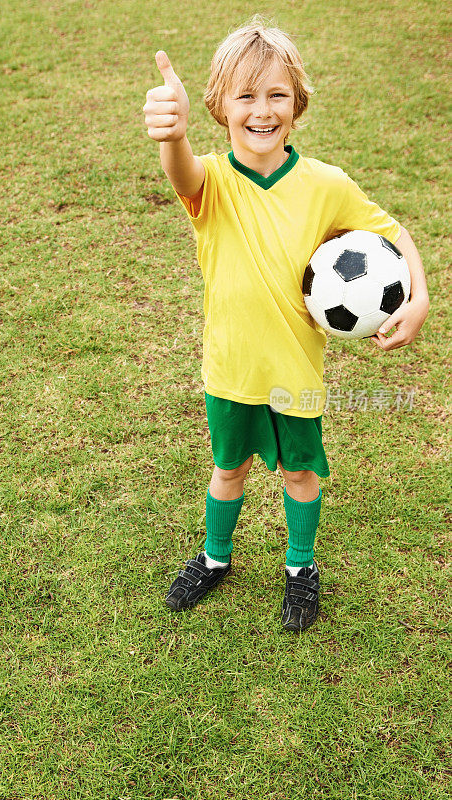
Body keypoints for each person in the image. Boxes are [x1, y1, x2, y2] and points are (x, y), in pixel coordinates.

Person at [142, 17, 429, 631]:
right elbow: (181, 172)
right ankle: (215, 556)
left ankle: (301, 567)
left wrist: (421, 295)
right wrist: (173, 133)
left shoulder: (326, 185)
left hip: (295, 372)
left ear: (297, 102)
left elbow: (394, 235)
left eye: (276, 94)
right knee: (229, 468)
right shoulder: (213, 180)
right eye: (245, 96)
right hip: (232, 368)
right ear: (221, 107)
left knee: (300, 471)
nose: (262, 111)